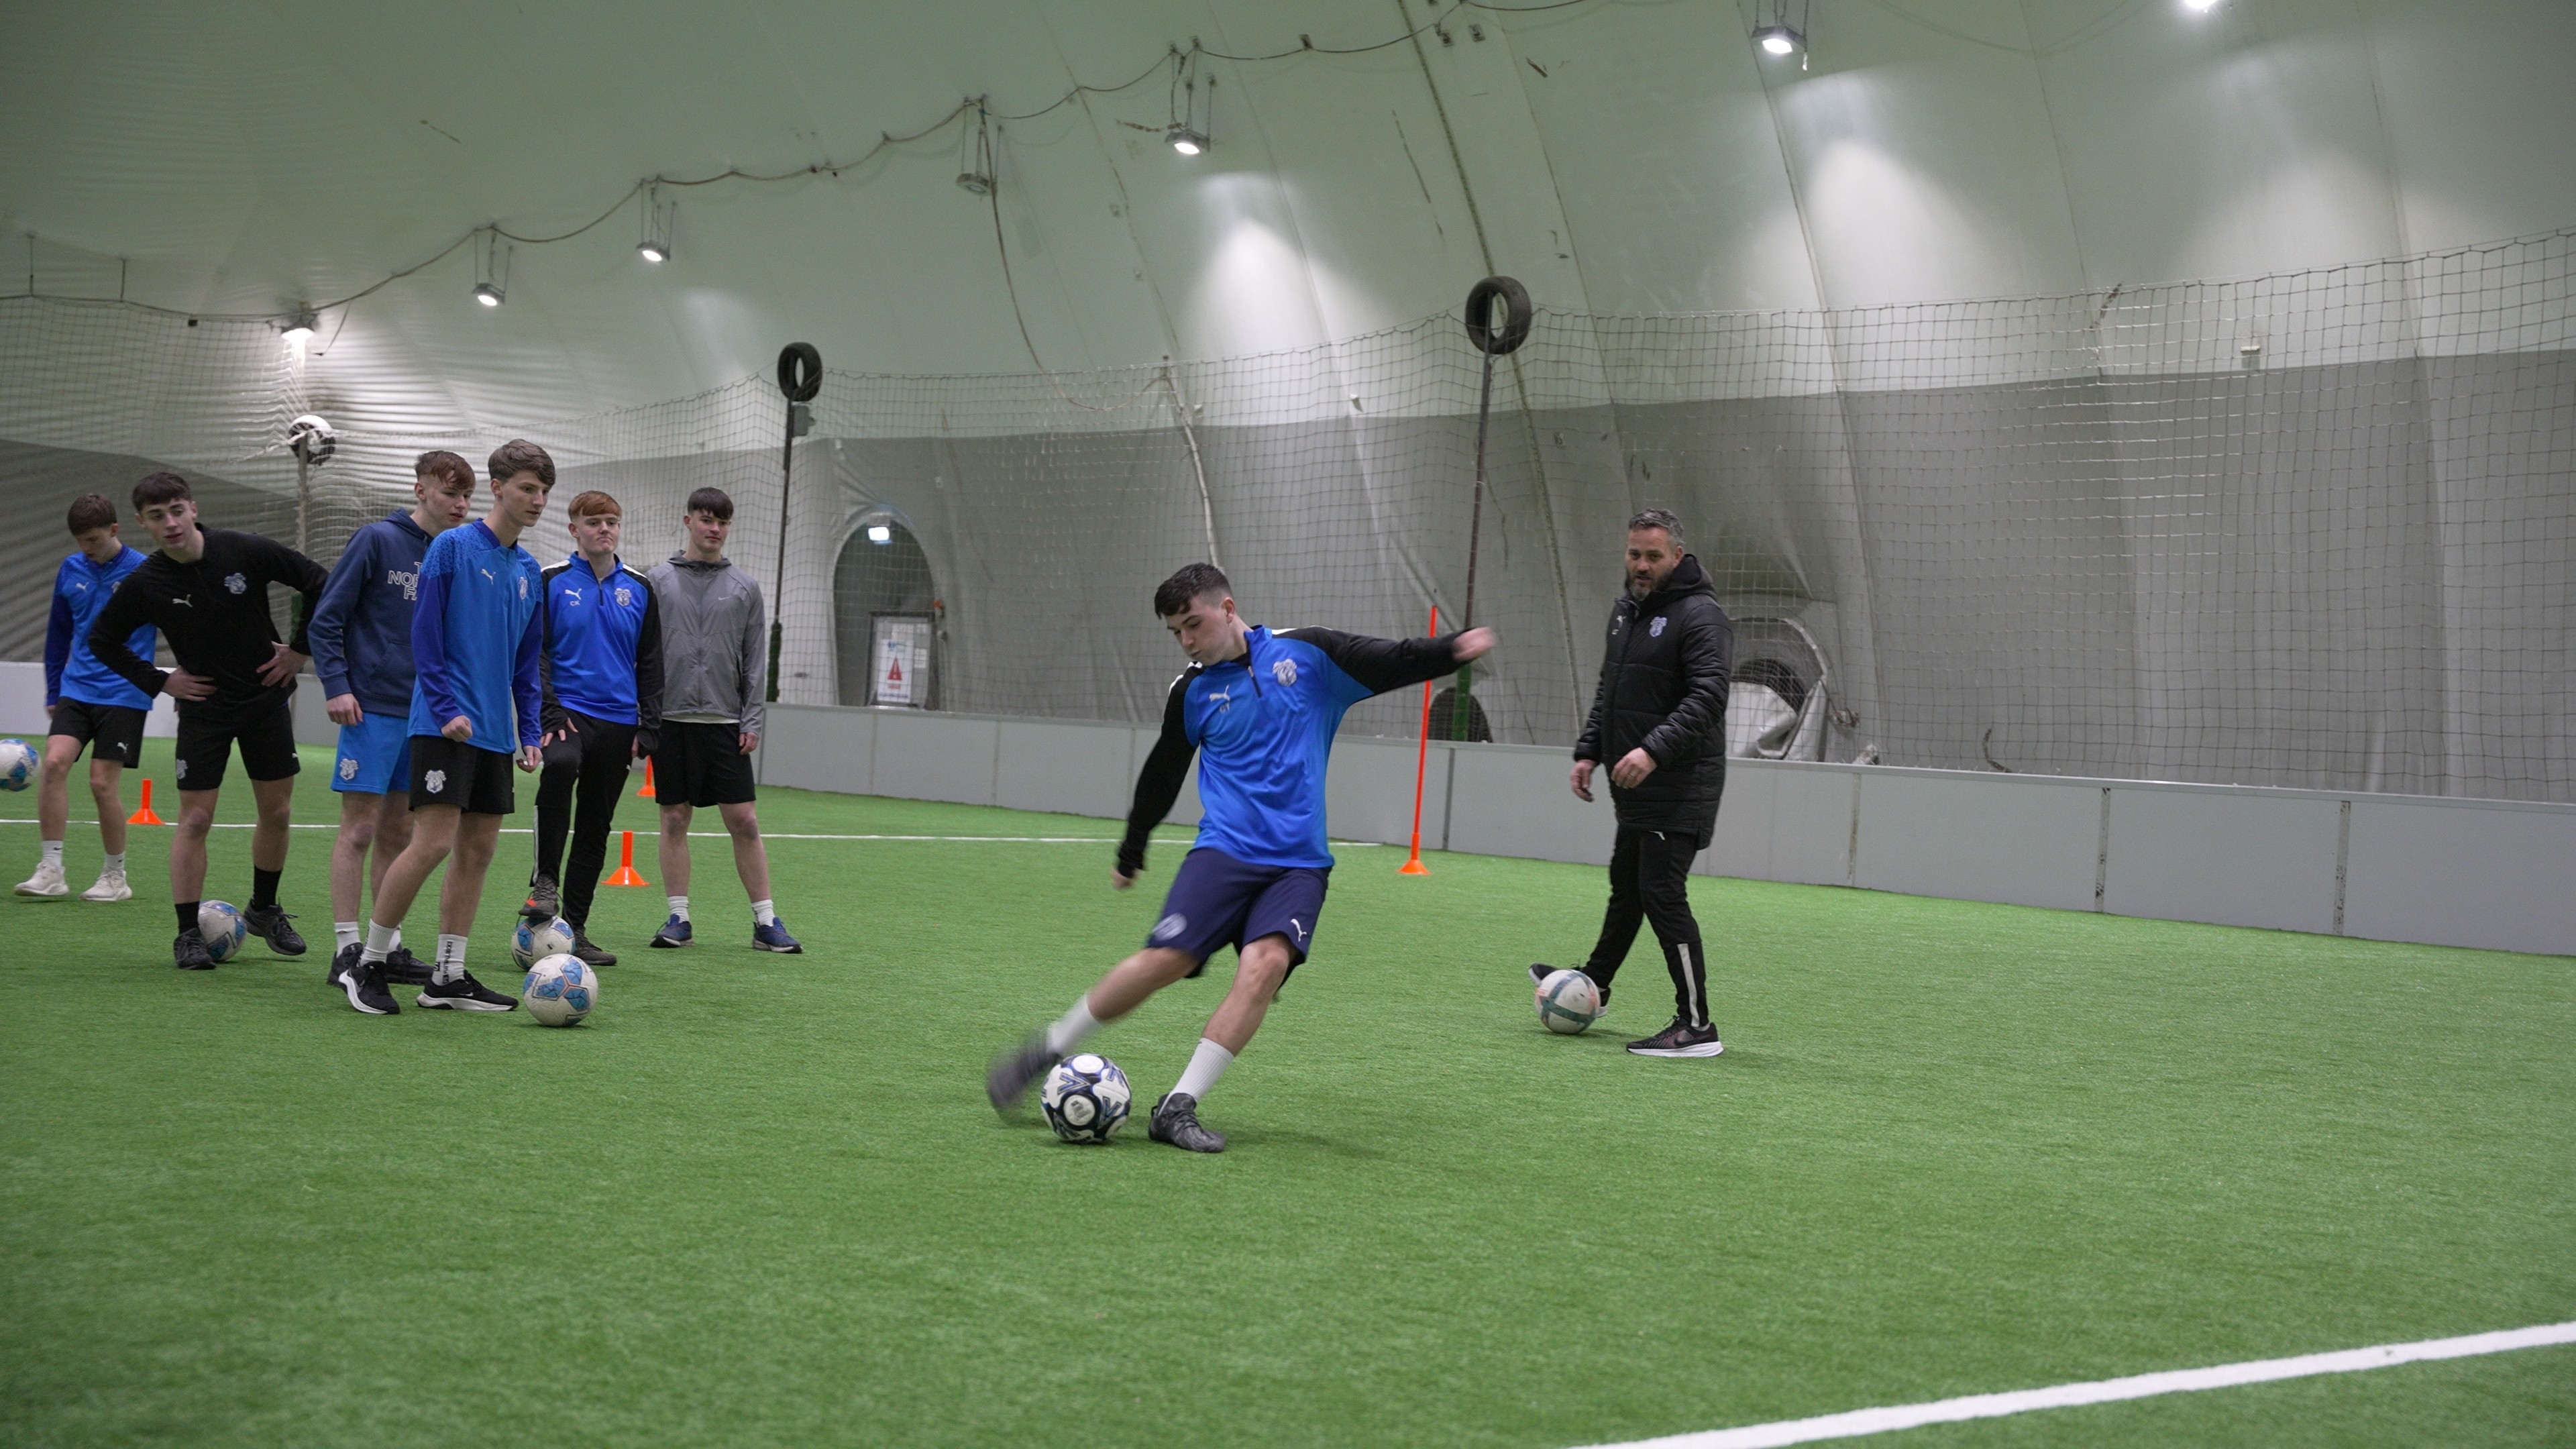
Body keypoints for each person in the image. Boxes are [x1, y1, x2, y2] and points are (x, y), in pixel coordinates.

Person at [986, 563, 1497, 1152]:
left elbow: (1394, 659)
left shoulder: (1310, 656)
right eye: (1176, 631)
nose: (1187, 641)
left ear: (1227, 609)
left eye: (1193, 624)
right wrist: (1133, 848)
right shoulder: (1192, 692)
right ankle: (1049, 1049)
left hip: (1299, 863)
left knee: (1264, 967)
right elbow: (1161, 774)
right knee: (1166, 960)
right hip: (1224, 853)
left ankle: (1177, 1107)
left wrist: (1453, 650)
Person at [329, 440, 551, 1016]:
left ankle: (448, 976)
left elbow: (527, 663)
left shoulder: (528, 569)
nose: (538, 500)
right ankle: (369, 963)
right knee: (431, 843)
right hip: (441, 725)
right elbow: (424, 638)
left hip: (496, 735)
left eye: (544, 491)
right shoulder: (451, 548)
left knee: (477, 851)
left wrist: (529, 729)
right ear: (498, 487)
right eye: (528, 488)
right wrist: (447, 704)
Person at [87, 473, 329, 969]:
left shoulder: (243, 550)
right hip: (204, 712)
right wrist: (160, 681)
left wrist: (300, 650)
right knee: (196, 818)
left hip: (265, 700)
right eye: (158, 517)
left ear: (192, 508)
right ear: (143, 524)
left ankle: (264, 909)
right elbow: (102, 640)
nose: (170, 523)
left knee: (278, 813)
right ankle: (186, 934)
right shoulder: (146, 583)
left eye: (177, 510)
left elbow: (320, 582)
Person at [1530, 508, 1733, 1058]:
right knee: (1628, 886)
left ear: (1677, 558)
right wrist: (1589, 749)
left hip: (1680, 784)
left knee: (1663, 895)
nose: (1641, 566)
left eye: (1653, 557)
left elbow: (1710, 696)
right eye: (1634, 555)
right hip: (1636, 786)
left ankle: (1696, 1027)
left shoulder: (1701, 615)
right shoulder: (1627, 612)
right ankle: (1594, 985)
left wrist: (1652, 749)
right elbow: (1611, 690)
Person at [306, 451, 478, 987]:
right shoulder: (377, 540)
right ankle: (345, 948)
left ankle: (388, 947)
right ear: (421, 489)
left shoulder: (455, 552)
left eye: (467, 496)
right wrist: (337, 685)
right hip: (372, 707)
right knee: (357, 829)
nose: (461, 504)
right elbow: (326, 618)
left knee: (400, 832)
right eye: (450, 493)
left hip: (426, 714)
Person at [643, 487, 798, 954]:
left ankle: (766, 922)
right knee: (674, 817)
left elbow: (755, 661)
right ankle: (678, 918)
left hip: (724, 722)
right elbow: (644, 656)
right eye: (707, 519)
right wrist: (644, 718)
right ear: (687, 520)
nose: (715, 529)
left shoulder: (745, 588)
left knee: (745, 821)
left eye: (723, 522)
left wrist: (751, 718)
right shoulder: (656, 580)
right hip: (670, 720)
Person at [521, 489, 662, 967]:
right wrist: (549, 712)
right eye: (594, 521)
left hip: (620, 721)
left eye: (612, 522)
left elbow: (651, 662)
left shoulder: (640, 588)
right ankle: (544, 884)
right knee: (558, 767)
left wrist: (649, 725)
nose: (605, 529)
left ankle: (575, 927)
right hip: (569, 713)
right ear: (574, 529)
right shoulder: (551, 581)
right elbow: (535, 652)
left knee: (597, 824)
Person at [17, 494, 154, 904]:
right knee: (54, 764)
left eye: (93, 539)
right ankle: (51, 870)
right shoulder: (71, 568)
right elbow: (59, 633)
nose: (86, 548)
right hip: (76, 688)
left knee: (101, 783)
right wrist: (53, 689)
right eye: (80, 541)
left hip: (125, 692)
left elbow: (178, 624)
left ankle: (115, 876)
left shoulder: (145, 572)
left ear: (115, 530)